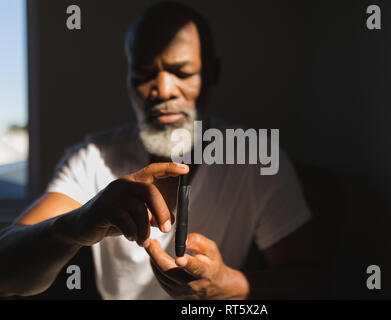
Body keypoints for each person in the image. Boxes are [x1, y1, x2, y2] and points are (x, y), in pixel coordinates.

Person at [0, 2, 329, 299]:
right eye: (143, 75)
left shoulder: (254, 156)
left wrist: (232, 287)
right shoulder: (92, 157)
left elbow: (310, 282)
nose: (162, 90)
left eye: (182, 72)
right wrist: (74, 225)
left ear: (211, 74)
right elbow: (8, 274)